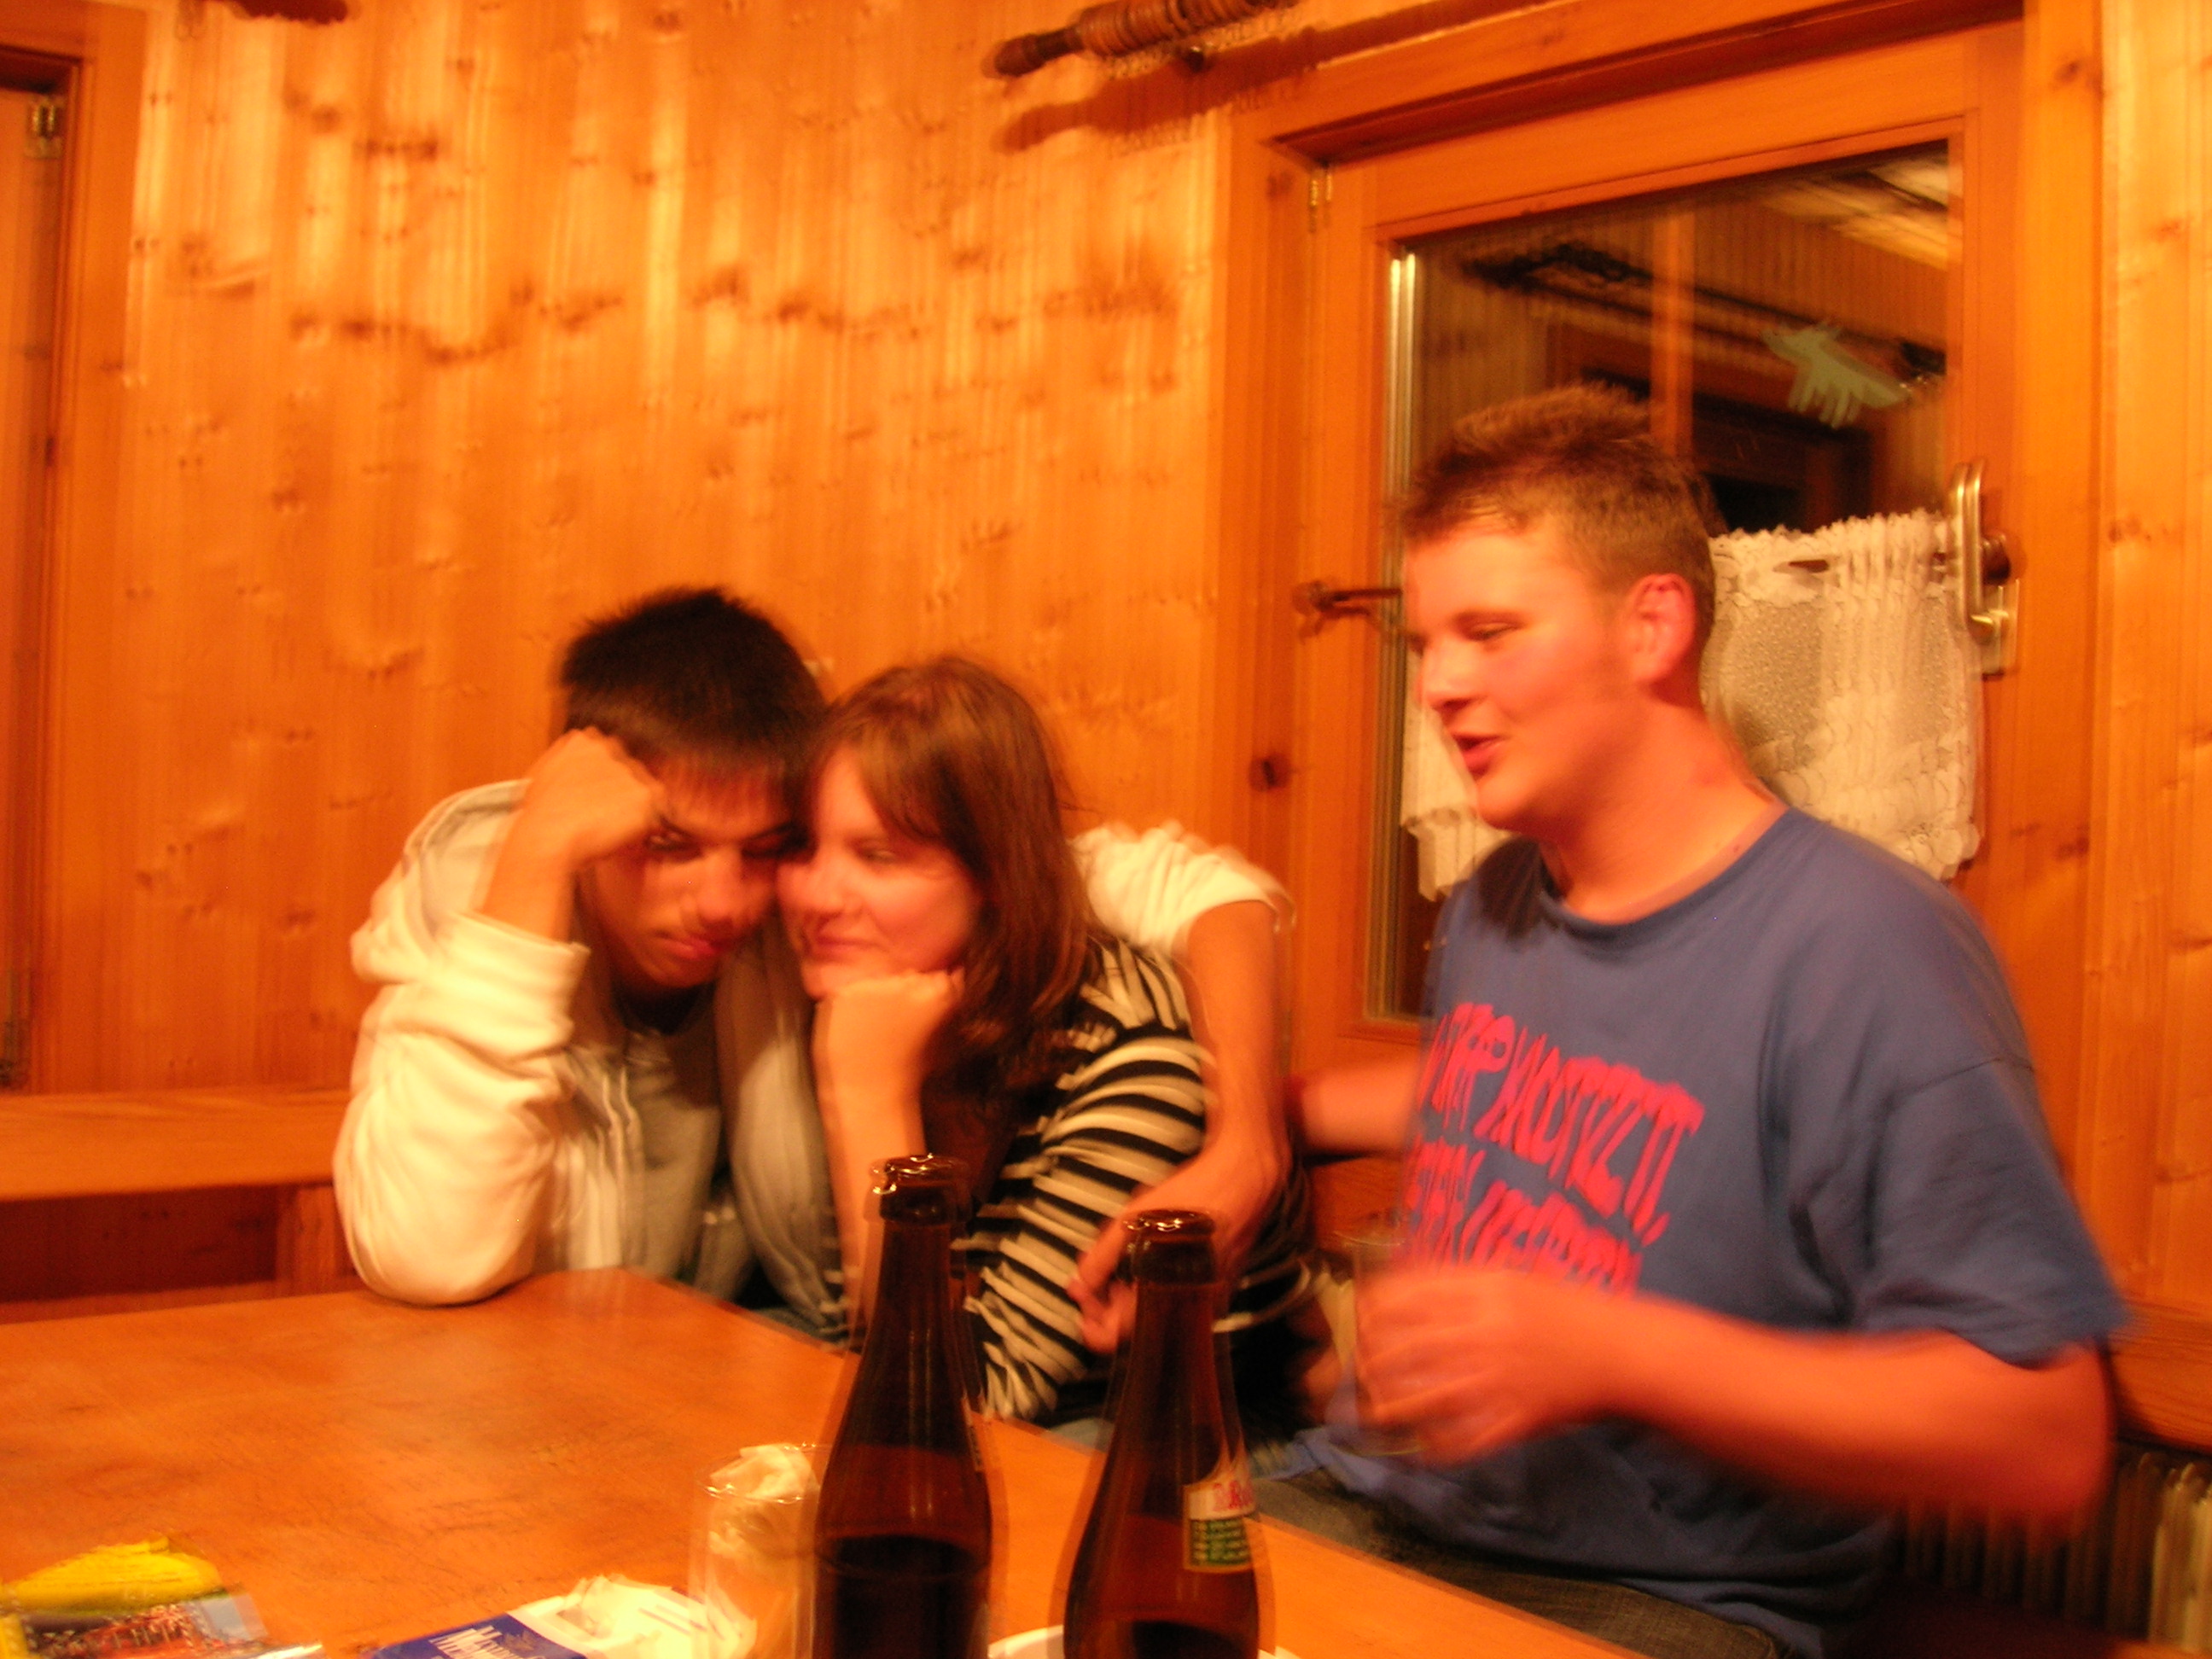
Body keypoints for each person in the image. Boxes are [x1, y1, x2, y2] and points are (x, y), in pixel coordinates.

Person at [1273, 386, 2123, 1659]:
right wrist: (1251, 1137)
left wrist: (1611, 1353)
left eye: (1491, 632)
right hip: (1376, 1510)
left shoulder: (1864, 948)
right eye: (1426, 642)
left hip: (1659, 1601)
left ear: (1652, 626)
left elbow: (2046, 1440)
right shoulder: (1498, 900)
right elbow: (1554, 1093)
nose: (1439, 684)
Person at [335, 589, 1289, 1336]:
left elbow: (1171, 884)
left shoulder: (810, 900)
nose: (725, 902)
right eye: (668, 844)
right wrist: (532, 867)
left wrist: (1252, 1134)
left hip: (735, 1368)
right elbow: (429, 1258)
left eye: (764, 847)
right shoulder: (491, 896)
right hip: (521, 1374)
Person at [774, 656, 1313, 1424]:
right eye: (801, 846)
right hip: (1005, 1420)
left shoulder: (1133, 1053)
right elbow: (855, 1343)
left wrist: (868, 1100)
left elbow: (963, 1404)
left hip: (1185, 1447)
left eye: (880, 855)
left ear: (995, 874)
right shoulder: (872, 997)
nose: (817, 896)